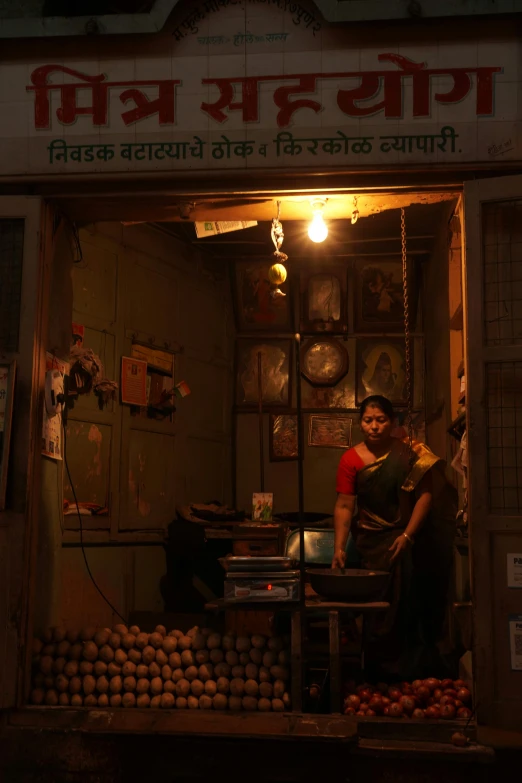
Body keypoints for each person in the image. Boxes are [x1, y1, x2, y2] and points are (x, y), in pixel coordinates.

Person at [332, 395, 457, 680]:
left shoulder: (409, 454)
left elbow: (424, 496)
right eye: (368, 420)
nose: (374, 426)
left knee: (408, 606)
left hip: (406, 541)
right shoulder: (350, 459)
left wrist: (408, 535)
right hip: (370, 545)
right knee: (376, 612)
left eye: (381, 420)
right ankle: (376, 676)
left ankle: (409, 676)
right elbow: (344, 505)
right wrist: (339, 547)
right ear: (360, 423)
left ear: (392, 422)